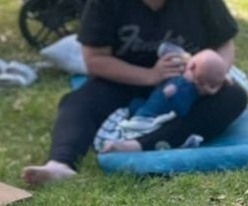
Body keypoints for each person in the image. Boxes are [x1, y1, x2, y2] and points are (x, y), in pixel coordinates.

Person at [22, 0, 247, 186]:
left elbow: (224, 42)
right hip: (125, 79)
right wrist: (150, 76)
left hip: (187, 84)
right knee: (78, 102)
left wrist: (212, 73)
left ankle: (143, 144)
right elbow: (94, 60)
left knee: (233, 98)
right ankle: (60, 164)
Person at [97, 47, 232, 154]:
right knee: (139, 109)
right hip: (149, 110)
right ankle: (130, 140)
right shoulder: (189, 84)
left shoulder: (186, 86)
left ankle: (128, 143)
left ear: (192, 67)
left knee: (139, 117)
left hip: (150, 117)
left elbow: (181, 108)